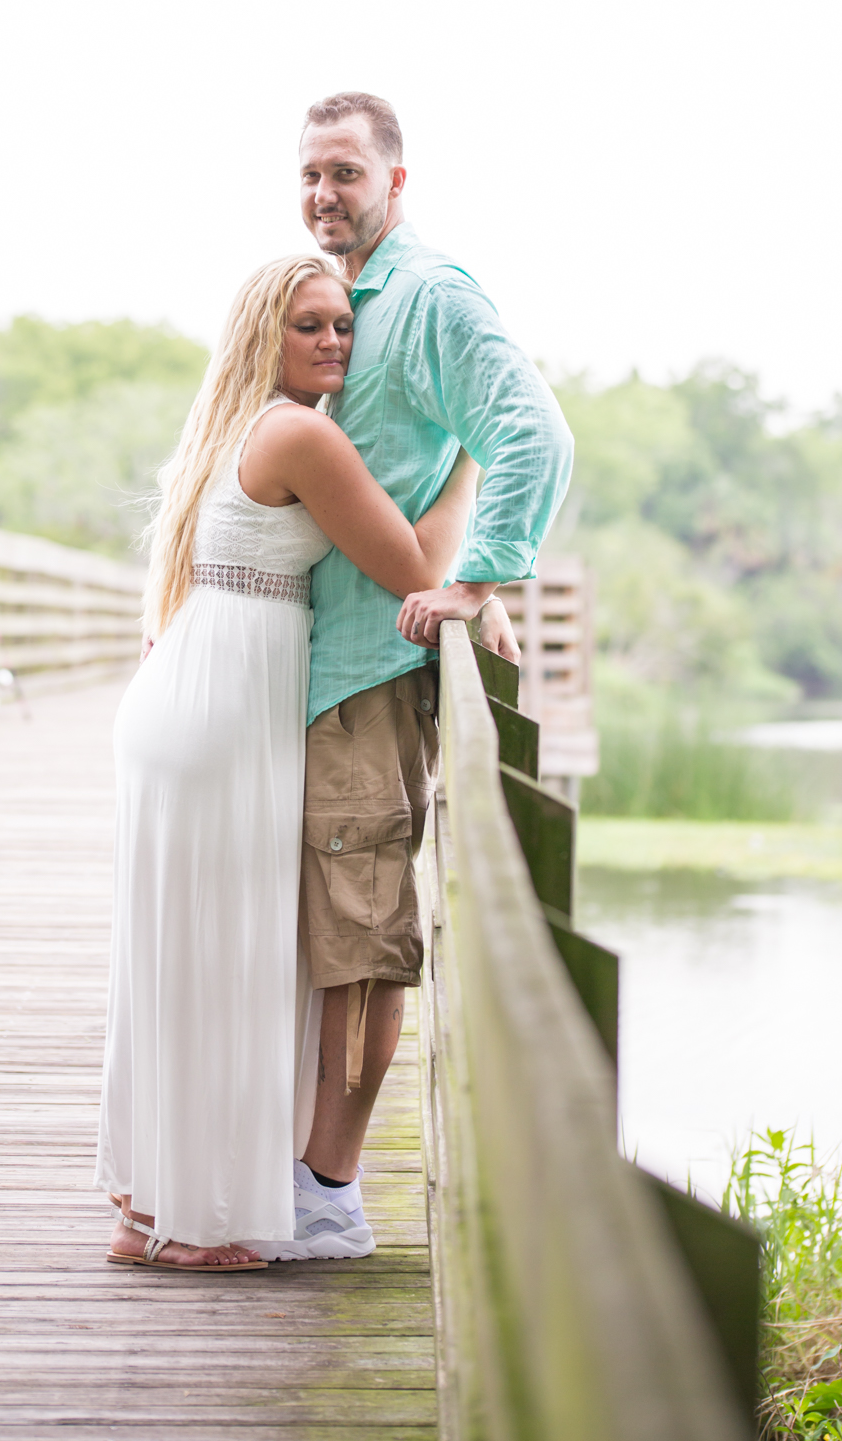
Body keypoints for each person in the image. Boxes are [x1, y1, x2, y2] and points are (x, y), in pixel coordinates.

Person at [97, 255, 480, 1271]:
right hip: (223, 705)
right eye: (310, 325)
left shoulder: (229, 424)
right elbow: (416, 565)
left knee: (183, 952)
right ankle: (204, 1220)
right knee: (230, 956)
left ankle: (150, 1201)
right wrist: (469, 468)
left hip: (186, 692)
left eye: (342, 326)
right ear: (266, 332)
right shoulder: (299, 431)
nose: (334, 342)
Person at [253, 91, 574, 1262]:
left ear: (397, 178)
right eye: (309, 173)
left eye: (345, 170)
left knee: (360, 942)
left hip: (367, 676)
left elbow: (534, 430)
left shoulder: (430, 296)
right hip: (306, 673)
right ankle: (291, 1166)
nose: (325, 192)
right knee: (321, 935)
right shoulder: (341, 301)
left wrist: (478, 580)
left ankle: (328, 1191)